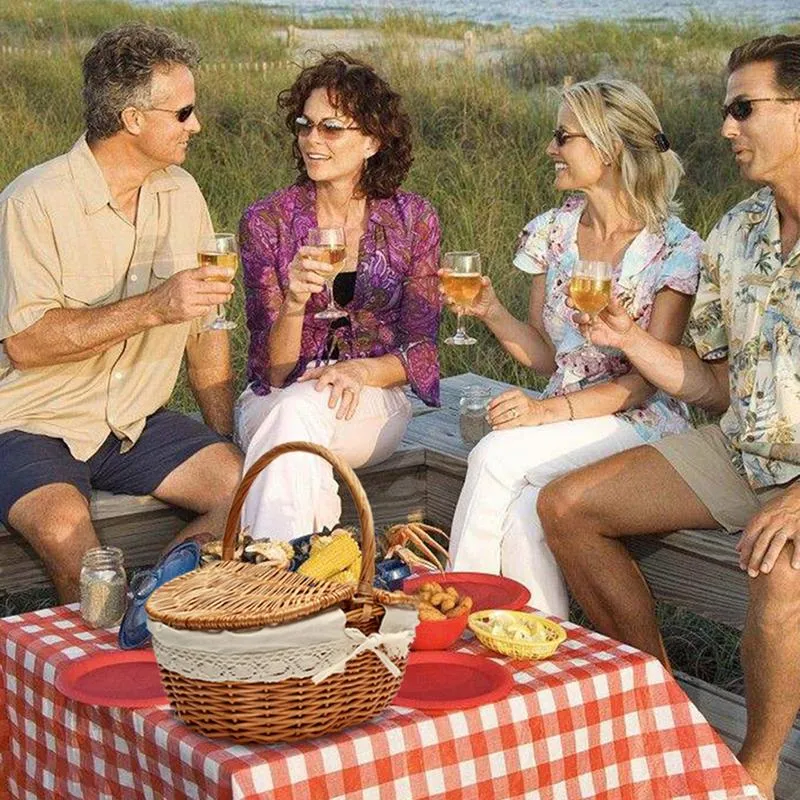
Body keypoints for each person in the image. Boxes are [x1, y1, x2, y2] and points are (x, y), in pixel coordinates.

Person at [536, 35, 800, 799]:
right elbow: (712, 384)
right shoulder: (737, 231)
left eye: (744, 109)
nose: (725, 128)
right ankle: (664, 719)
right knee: (568, 505)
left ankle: (753, 768)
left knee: (778, 571)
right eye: (725, 111)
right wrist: (627, 339)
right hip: (743, 448)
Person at [0, 24, 243, 603]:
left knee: (243, 485)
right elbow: (26, 344)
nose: (197, 125)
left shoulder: (182, 192)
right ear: (133, 119)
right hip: (32, 421)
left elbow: (206, 330)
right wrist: (156, 307)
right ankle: (95, 672)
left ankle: (159, 608)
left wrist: (222, 435)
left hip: (133, 423)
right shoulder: (32, 202)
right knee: (70, 541)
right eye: (183, 113)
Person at [446, 78, 702, 618]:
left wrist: (545, 412)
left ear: (608, 148)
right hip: (565, 413)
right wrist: (492, 311)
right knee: (521, 516)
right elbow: (545, 354)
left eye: (563, 137)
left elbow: (646, 381)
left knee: (493, 455)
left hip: (643, 420)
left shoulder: (677, 249)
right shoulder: (552, 232)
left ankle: (451, 614)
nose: (550, 149)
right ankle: (539, 654)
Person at [236, 52, 441, 539]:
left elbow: (424, 352)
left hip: (371, 400)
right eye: (305, 125)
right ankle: (313, 578)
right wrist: (291, 305)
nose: (312, 140)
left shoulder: (414, 220)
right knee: (296, 412)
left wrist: (361, 370)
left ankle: (270, 579)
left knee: (297, 420)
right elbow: (273, 373)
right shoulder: (266, 222)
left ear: (372, 141)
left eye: (331, 128)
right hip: (275, 399)